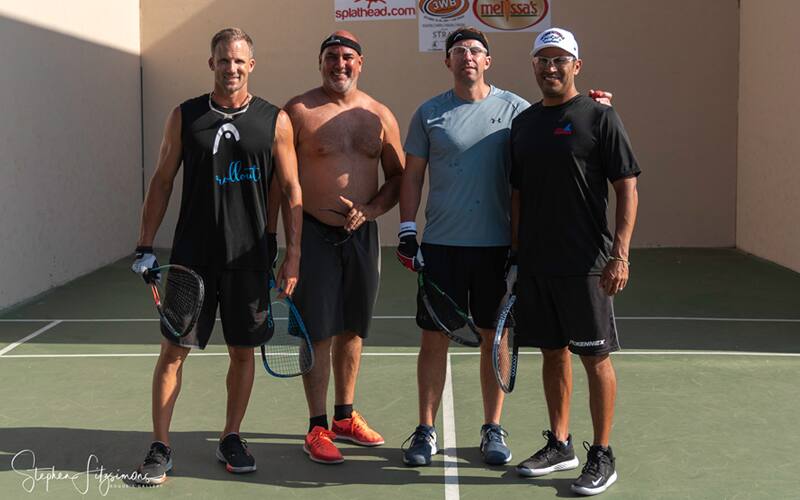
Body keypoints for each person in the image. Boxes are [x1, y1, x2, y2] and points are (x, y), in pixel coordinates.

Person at [396, 26, 613, 467]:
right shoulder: (429, 113)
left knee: (493, 339)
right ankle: (425, 429)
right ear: (448, 61)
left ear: (488, 61)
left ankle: (492, 427)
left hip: (498, 248)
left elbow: (562, 124)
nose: (467, 57)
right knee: (433, 338)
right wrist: (406, 229)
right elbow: (413, 174)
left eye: (476, 50)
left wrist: (596, 109)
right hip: (441, 246)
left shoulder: (517, 110)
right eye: (458, 51)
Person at [130, 28, 302, 484]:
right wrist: (145, 245)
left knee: (242, 353)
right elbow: (162, 181)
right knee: (173, 352)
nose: (232, 68)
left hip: (249, 259)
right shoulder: (185, 116)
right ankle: (160, 446)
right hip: (192, 260)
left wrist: (293, 255)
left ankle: (231, 436)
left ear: (252, 65)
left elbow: (290, 189)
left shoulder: (274, 120)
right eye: (224, 60)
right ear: (212, 64)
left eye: (240, 61)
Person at [509, 28, 640, 496]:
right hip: (537, 265)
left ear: (576, 66)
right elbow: (518, 194)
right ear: (534, 66)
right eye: (543, 59)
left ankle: (602, 453)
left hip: (586, 263)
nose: (550, 67)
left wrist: (619, 254)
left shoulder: (600, 118)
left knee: (595, 356)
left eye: (560, 59)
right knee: (551, 352)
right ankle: (560, 444)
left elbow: (627, 187)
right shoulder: (523, 124)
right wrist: (517, 254)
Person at [273, 30, 404, 464]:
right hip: (313, 234)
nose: (340, 64)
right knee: (319, 331)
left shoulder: (380, 115)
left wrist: (369, 210)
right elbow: (283, 183)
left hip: (361, 236)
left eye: (348, 57)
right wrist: (284, 246)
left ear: (360, 64)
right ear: (320, 62)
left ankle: (345, 416)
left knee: (353, 328)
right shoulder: (297, 112)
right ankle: (316, 426)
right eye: (331, 56)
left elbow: (399, 179)